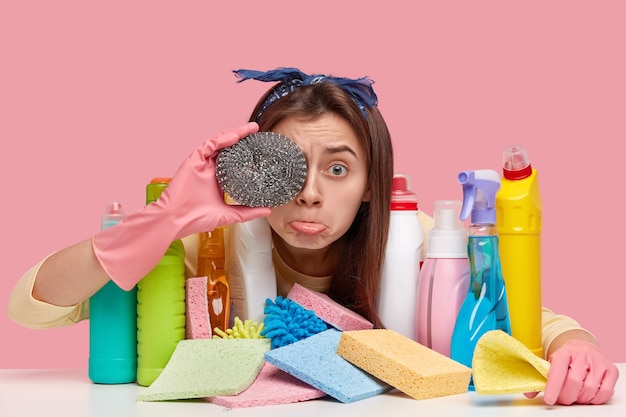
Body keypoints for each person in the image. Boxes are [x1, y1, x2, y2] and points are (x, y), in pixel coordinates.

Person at [8, 67, 619, 406]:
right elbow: (34, 306)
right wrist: (161, 221)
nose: (310, 194)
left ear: (372, 184)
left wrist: (580, 348)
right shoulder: (206, 249)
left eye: (337, 168)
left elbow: (541, 321)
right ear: (254, 169)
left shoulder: (418, 246)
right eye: (290, 168)